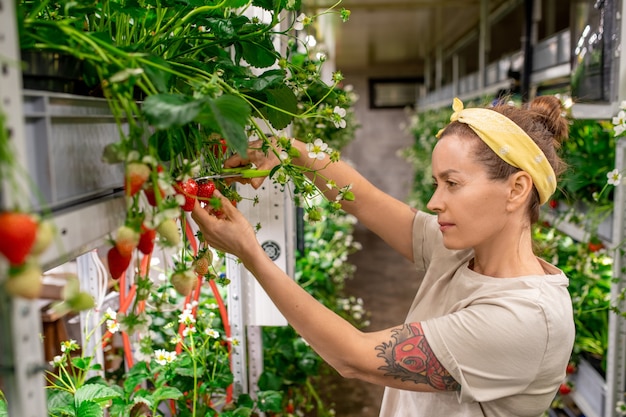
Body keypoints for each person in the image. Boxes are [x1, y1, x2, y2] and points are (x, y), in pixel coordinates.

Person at [191, 95, 575, 417]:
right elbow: (369, 202)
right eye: (437, 183)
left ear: (516, 189)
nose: (434, 202)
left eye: (453, 184)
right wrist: (294, 153)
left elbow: (353, 357)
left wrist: (250, 253)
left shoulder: (524, 319)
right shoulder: (463, 253)